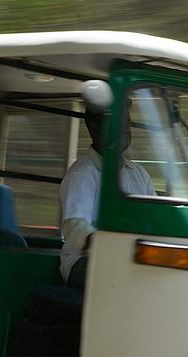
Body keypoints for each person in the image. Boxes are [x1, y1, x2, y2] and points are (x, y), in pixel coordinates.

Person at [59, 110, 154, 287]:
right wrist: (115, 247)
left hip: (131, 258)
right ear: (94, 128)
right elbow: (74, 229)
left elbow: (155, 218)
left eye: (127, 122)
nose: (125, 129)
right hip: (84, 263)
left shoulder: (140, 174)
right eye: (117, 123)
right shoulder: (82, 174)